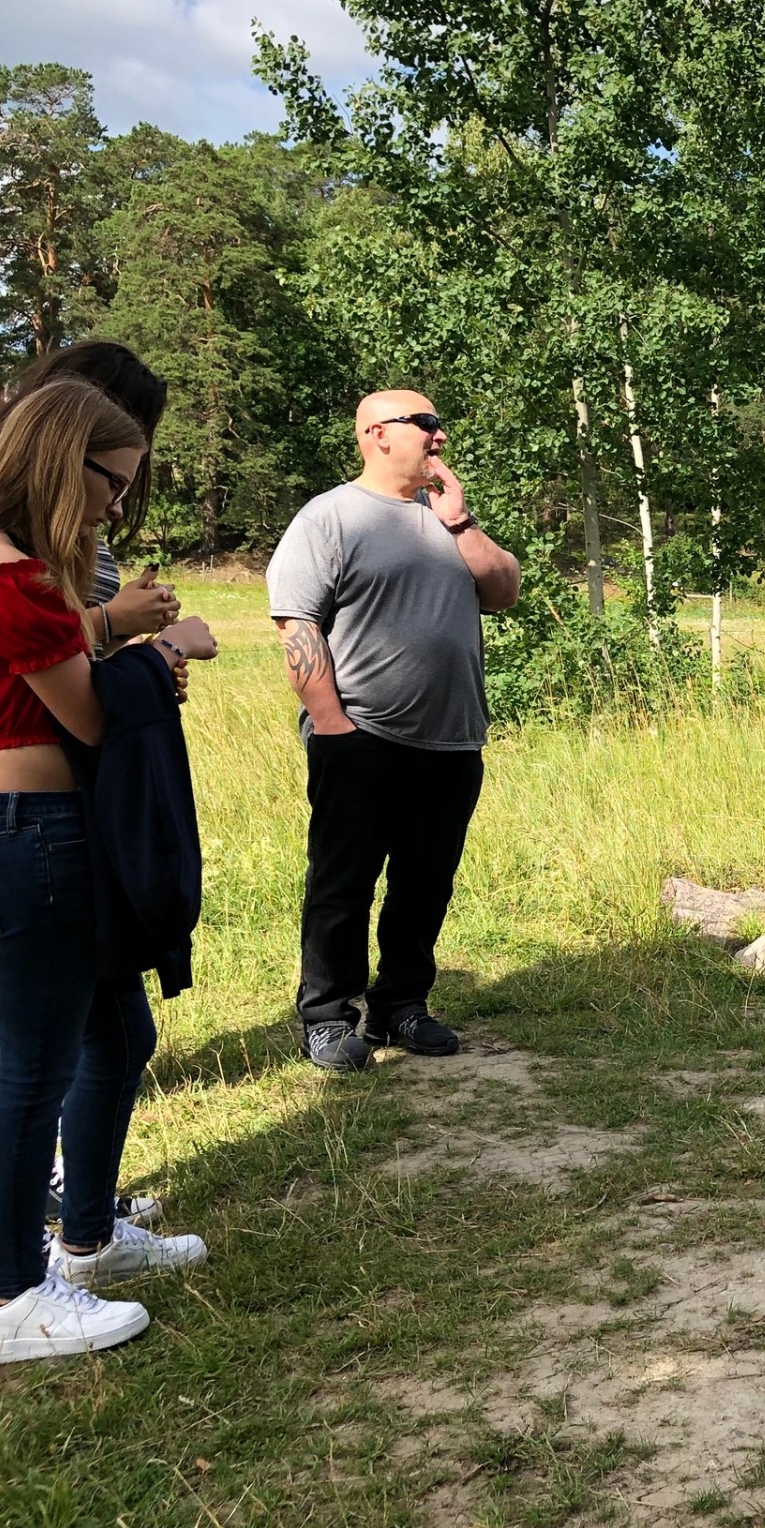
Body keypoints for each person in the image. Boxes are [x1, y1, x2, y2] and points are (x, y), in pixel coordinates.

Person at [0, 380, 216, 1362]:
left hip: (31, 828)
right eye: (110, 483)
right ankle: (10, 1299)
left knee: (118, 1034)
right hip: (35, 835)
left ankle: (84, 1238)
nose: (116, 506)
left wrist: (115, 638)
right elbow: (84, 712)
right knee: (33, 1070)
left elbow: (53, 677)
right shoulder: (8, 576)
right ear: (58, 457)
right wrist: (161, 645)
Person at [266, 390, 519, 1073]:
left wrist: (462, 524)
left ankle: (401, 1007)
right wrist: (333, 727)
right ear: (377, 433)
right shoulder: (330, 516)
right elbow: (297, 624)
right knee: (343, 882)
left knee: (425, 883)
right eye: (427, 424)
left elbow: (503, 591)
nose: (440, 437)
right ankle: (328, 1017)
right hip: (362, 736)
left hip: (452, 740)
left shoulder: (444, 519)